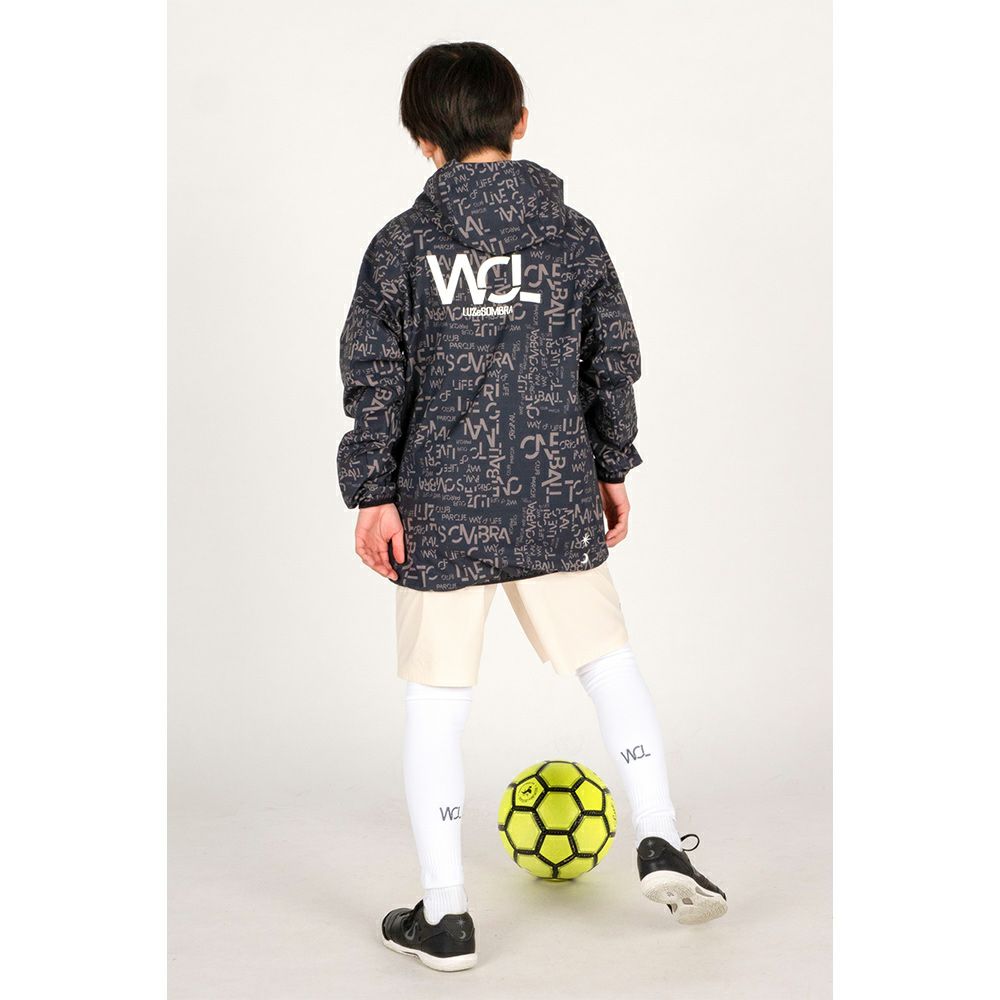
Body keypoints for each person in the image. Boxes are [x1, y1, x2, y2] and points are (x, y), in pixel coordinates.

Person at [337, 41, 727, 973]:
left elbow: (375, 377)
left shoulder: (401, 247)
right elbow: (612, 358)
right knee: (609, 666)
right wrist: (610, 464)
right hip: (552, 487)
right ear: (520, 121)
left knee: (437, 701)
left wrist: (373, 492)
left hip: (439, 503)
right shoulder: (573, 237)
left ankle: (446, 917)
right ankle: (659, 835)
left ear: (420, 137)